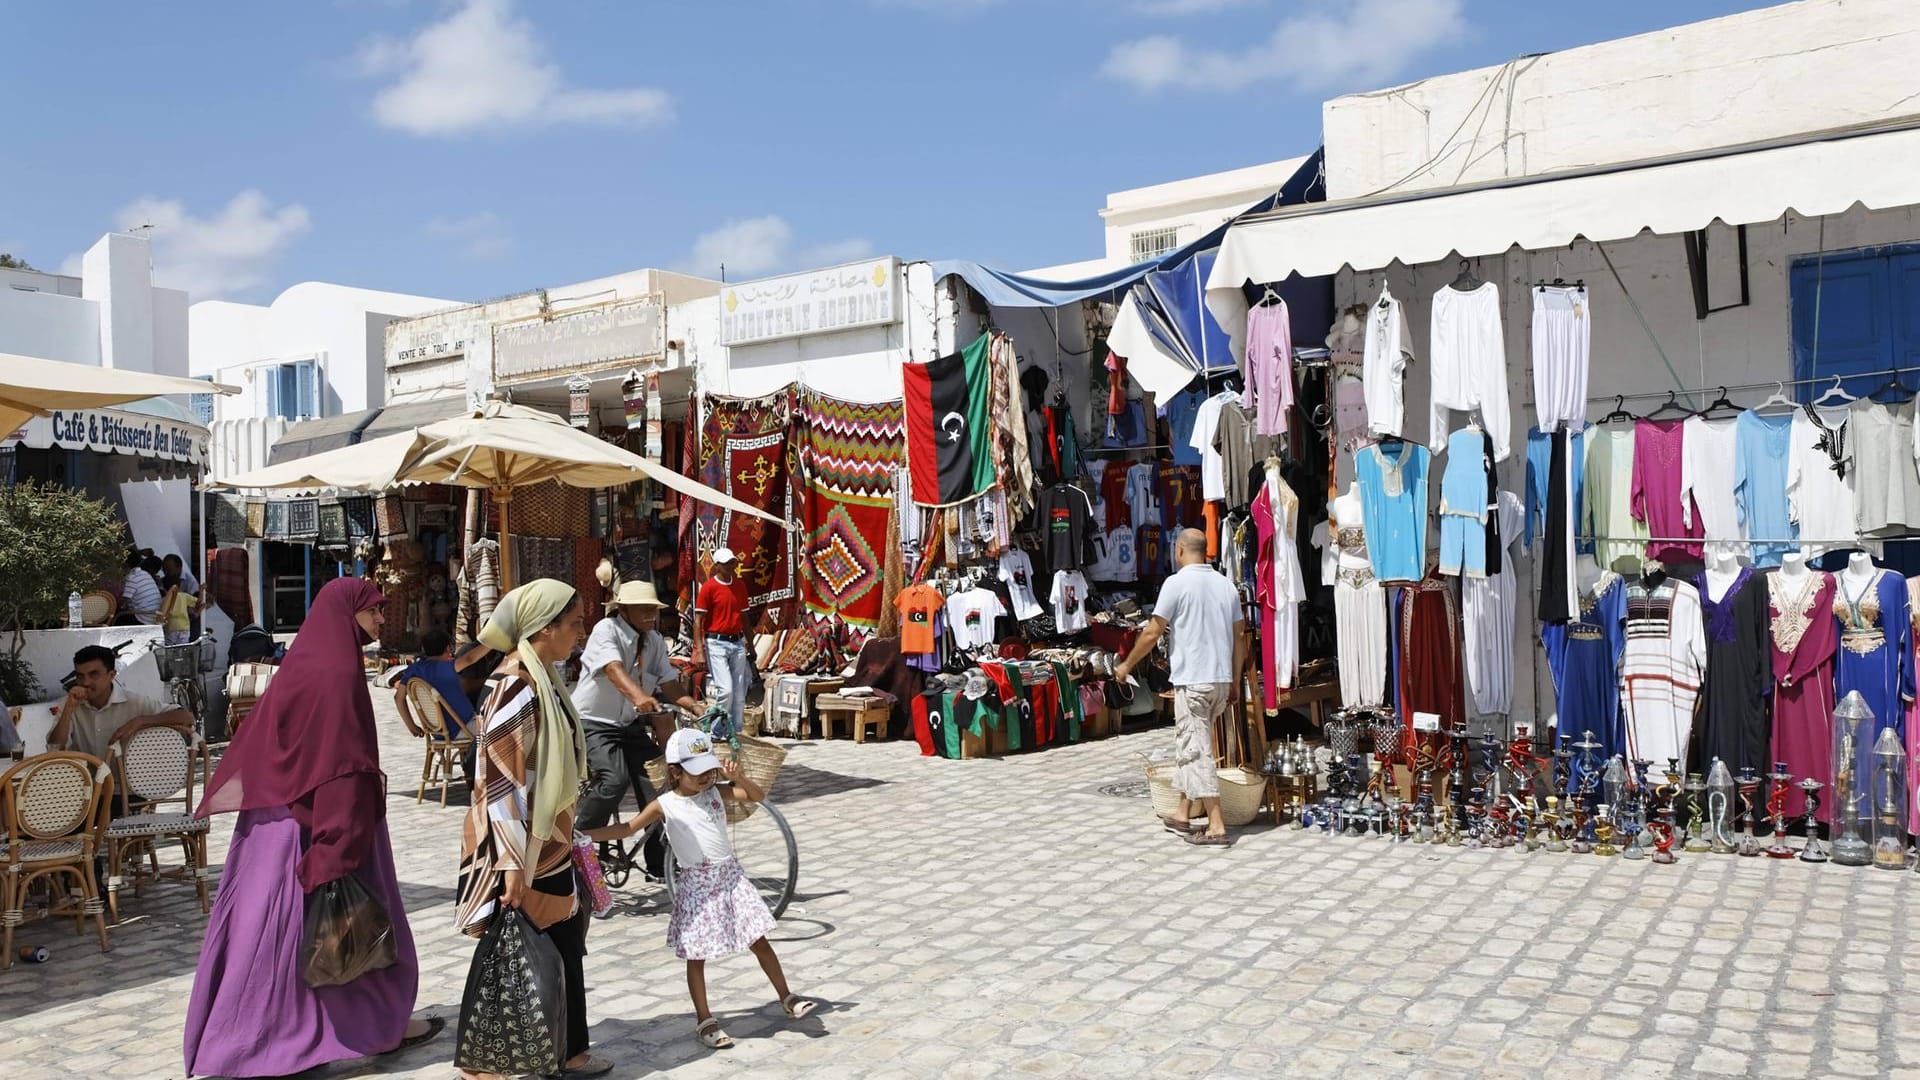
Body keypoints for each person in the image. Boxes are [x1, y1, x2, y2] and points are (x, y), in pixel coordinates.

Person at [184, 579, 439, 1077]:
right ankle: (319, 1035)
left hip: (273, 823)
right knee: (337, 924)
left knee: (274, 934)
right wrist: (337, 844)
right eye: (374, 611)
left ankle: (256, 1037)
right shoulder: (338, 671)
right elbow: (339, 761)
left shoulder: (304, 662)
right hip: (321, 821)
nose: (381, 620)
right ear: (347, 612)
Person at [452, 581, 613, 1080]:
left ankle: (570, 1050)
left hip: (549, 839)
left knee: (563, 939)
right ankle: (488, 1060)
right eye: (574, 623)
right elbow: (501, 782)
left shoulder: (542, 677)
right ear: (545, 629)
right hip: (523, 844)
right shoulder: (517, 686)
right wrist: (510, 864)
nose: (581, 632)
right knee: (514, 943)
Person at [586, 728, 814, 1050]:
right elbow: (626, 827)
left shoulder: (716, 792)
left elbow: (755, 797)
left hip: (732, 880)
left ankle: (787, 996)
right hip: (697, 887)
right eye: (698, 773)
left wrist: (740, 778)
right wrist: (582, 835)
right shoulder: (664, 804)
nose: (706, 777)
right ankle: (705, 1019)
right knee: (697, 955)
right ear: (676, 772)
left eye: (709, 769)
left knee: (758, 940)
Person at [1114, 528, 1246, 847]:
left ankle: (1216, 824)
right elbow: (1240, 637)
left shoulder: (1177, 583)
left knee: (1195, 748)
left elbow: (1152, 631)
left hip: (1194, 680)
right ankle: (1183, 812)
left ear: (1181, 549)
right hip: (1219, 680)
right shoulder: (1226, 585)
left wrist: (1127, 665)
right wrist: (1234, 678)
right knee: (1193, 744)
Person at [574, 580, 700, 883]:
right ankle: (577, 843)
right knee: (613, 779)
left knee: (661, 784)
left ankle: (660, 865)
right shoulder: (606, 631)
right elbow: (613, 669)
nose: (650, 615)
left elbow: (668, 682)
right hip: (594, 722)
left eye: (653, 609)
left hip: (628, 724)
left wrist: (694, 706)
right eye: (643, 609)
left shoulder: (654, 640)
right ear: (624, 609)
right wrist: (639, 697)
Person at [49, 644, 191, 761]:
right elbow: (55, 749)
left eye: (94, 675)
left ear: (111, 675)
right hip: (86, 788)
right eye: (80, 676)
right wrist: (68, 709)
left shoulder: (133, 702)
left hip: (128, 790)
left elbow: (186, 717)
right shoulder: (70, 703)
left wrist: (140, 721)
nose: (85, 682)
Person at [691, 547, 751, 736]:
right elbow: (698, 620)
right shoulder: (709, 587)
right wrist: (699, 650)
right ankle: (717, 732)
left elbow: (744, 617)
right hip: (716, 643)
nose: (729, 567)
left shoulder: (739, 586)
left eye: (731, 563)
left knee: (739, 694)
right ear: (717, 566)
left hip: (737, 642)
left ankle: (736, 732)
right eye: (725, 564)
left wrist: (751, 644)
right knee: (725, 690)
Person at [393, 629, 477, 738]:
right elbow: (469, 659)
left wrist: (412, 726)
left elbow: (398, 698)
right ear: (448, 648)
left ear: (424, 649)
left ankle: (469, 754)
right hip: (465, 728)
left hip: (438, 733)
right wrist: (490, 644)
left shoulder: (414, 670)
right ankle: (475, 754)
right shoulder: (450, 666)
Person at [119, 550, 162, 626]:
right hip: (154, 615)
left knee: (117, 616)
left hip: (143, 618)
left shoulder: (131, 578)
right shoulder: (144, 574)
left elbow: (123, 603)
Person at [159, 571, 199, 646]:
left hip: (171, 628)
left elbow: (162, 614)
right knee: (183, 649)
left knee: (170, 649)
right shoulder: (185, 596)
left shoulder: (164, 600)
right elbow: (197, 602)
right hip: (184, 628)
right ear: (179, 586)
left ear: (164, 588)